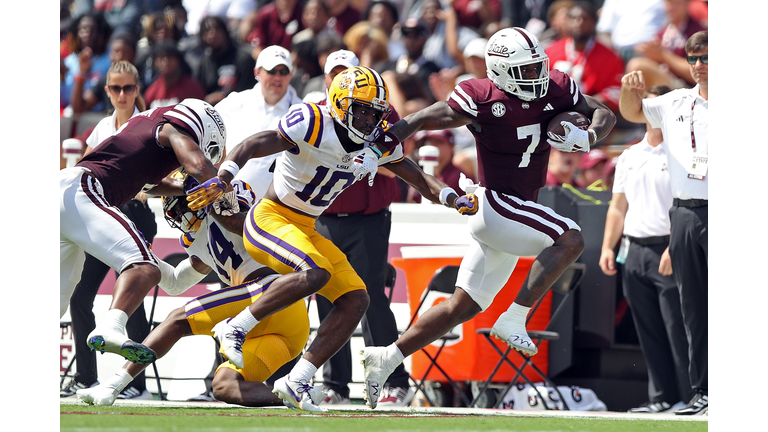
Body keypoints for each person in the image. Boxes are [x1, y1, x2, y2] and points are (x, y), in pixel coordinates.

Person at [187, 65, 475, 412]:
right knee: (316, 273)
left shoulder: (376, 142)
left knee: (356, 298)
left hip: (306, 225)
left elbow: (418, 177)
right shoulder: (312, 120)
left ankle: (298, 379)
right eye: (362, 111)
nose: (369, 121)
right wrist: (224, 177)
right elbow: (253, 143)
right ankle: (236, 326)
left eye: (374, 113)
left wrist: (452, 198)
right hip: (270, 217)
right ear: (339, 103)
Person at [358, 27, 617, 409]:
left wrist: (590, 137)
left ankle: (387, 357)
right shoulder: (482, 95)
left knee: (462, 306)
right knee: (571, 238)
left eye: (537, 68)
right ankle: (515, 317)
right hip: (497, 204)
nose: (536, 78)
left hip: (512, 213)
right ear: (499, 71)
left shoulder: (555, 87)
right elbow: (431, 115)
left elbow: (603, 112)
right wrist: (391, 135)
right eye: (525, 71)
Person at [76, 174, 319, 408]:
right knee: (225, 387)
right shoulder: (199, 238)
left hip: (276, 293)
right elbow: (175, 283)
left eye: (179, 206)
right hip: (283, 334)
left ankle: (114, 385)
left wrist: (202, 186)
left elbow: (233, 198)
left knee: (177, 319)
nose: (178, 215)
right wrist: (143, 255)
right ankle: (297, 395)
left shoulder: (227, 201)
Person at [60, 97, 229, 366]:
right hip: (84, 190)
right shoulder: (174, 127)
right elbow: (199, 166)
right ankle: (112, 326)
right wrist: (224, 193)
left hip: (68, 195)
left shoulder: (148, 130)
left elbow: (173, 282)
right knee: (143, 268)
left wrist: (186, 191)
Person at [301, 50, 413, 407]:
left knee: (371, 298)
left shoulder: (382, 110)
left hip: (368, 218)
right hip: (324, 216)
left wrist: (363, 159)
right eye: (334, 74)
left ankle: (394, 379)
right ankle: (335, 384)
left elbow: (396, 165)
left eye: (346, 73)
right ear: (326, 79)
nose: (340, 79)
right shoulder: (318, 111)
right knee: (326, 297)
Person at [618, 30, 708, 416]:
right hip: (686, 211)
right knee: (694, 307)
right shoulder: (676, 101)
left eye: (706, 57)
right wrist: (629, 88)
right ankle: (704, 392)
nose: (699, 66)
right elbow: (632, 113)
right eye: (693, 59)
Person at [60, 61, 155, 401]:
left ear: (137, 89)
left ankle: (136, 385)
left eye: (129, 88)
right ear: (107, 91)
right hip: (103, 217)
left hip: (134, 216)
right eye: (116, 88)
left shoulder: (148, 123)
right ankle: (86, 378)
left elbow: (168, 175)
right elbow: (85, 168)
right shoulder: (102, 127)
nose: (122, 94)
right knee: (80, 296)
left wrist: (146, 186)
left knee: (133, 301)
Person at [599, 84, 693, 414]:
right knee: (648, 329)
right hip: (634, 251)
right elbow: (617, 207)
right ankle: (662, 397)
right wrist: (608, 247)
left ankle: (693, 397)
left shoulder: (682, 154)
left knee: (678, 328)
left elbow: (687, 206)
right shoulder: (629, 155)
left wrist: (675, 248)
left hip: (670, 249)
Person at [214, 44, 303, 201]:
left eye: (283, 71)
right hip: (230, 205)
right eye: (271, 71)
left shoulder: (302, 113)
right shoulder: (234, 102)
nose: (277, 77)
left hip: (280, 210)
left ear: (291, 74)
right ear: (257, 72)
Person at [546, 1, 626, 114]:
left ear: (594, 22)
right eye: (573, 18)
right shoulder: (551, 51)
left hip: (591, 116)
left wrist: (581, 105)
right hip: (555, 113)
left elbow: (614, 92)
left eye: (584, 18)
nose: (578, 23)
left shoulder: (609, 56)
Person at [626, 0, 708, 91]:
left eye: (677, 3)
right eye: (669, 3)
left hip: (688, 88)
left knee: (638, 66)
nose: (672, 7)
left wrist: (663, 55)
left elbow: (701, 68)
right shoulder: (665, 30)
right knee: (636, 70)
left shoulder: (697, 31)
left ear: (687, 4)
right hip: (667, 81)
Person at [194, 16, 257, 106]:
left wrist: (225, 99)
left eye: (216, 28)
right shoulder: (203, 64)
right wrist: (206, 100)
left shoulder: (243, 58)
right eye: (206, 31)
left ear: (225, 31)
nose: (212, 34)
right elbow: (197, 95)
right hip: (210, 112)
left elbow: (249, 93)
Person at [61, 12, 113, 113]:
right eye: (83, 29)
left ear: (100, 33)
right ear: (77, 33)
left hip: (100, 114)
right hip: (72, 114)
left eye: (93, 30)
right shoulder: (69, 61)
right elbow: (64, 100)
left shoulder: (109, 59)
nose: (88, 33)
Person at [595, 0, 666, 64]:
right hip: (618, 55)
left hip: (651, 56)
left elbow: (671, 19)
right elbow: (604, 31)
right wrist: (615, 55)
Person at [144, 41, 208, 109]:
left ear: (178, 60)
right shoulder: (151, 92)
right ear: (155, 62)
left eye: (170, 57)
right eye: (161, 57)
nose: (166, 61)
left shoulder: (193, 88)